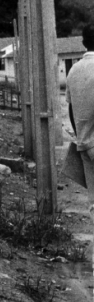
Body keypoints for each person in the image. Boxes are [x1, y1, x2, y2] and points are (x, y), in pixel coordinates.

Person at [65, 24, 94, 226]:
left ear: (83, 42)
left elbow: (71, 108)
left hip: (85, 144)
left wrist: (81, 136)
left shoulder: (74, 69)